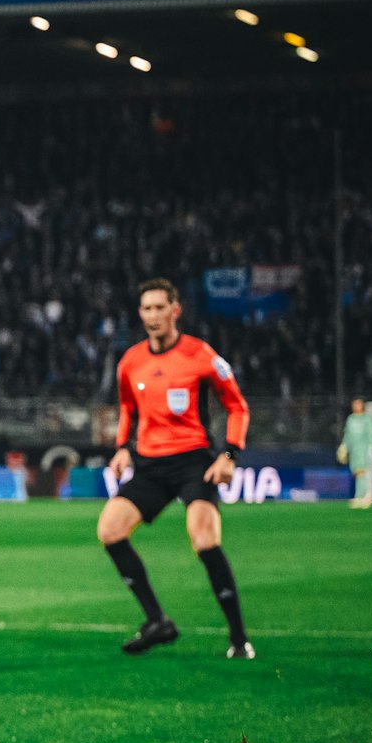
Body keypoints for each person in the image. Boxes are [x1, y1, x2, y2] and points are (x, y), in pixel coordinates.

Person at [97, 280, 254, 660]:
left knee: (204, 540)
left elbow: (238, 407)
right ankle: (157, 621)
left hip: (194, 462)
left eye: (159, 308)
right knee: (109, 530)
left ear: (175, 310)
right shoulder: (131, 362)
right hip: (150, 464)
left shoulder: (201, 356)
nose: (152, 316)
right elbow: (127, 409)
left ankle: (238, 638)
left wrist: (229, 454)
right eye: (146, 309)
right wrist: (121, 448)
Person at [339, 397, 372, 509]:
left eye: (358, 404)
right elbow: (347, 434)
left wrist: (371, 448)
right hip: (353, 450)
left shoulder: (367, 419)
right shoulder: (351, 419)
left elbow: (371, 433)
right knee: (356, 472)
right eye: (354, 404)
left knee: (361, 471)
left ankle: (362, 496)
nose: (356, 406)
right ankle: (363, 496)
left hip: (363, 449)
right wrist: (344, 446)